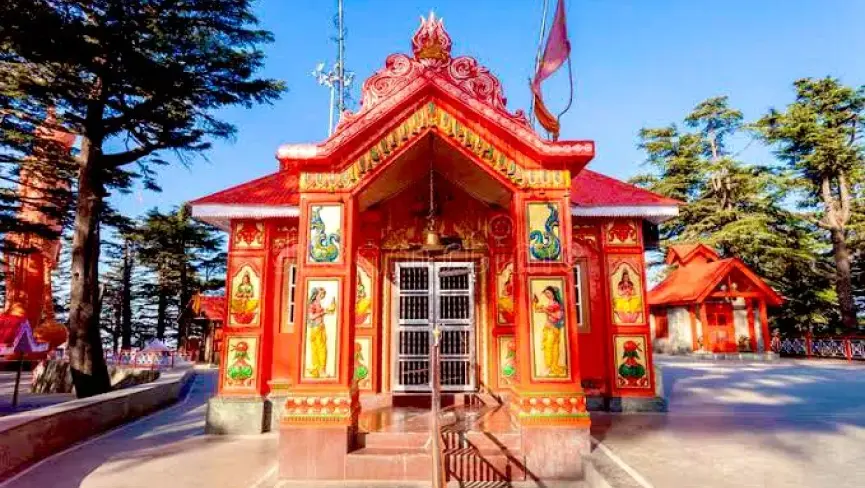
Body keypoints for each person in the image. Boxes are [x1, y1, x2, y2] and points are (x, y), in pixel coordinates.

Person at [533, 285, 567, 377]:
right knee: (553, 348)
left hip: (553, 329)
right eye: (546, 293)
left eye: (548, 293)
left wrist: (546, 311)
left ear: (553, 293)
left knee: (549, 348)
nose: (547, 295)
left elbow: (558, 316)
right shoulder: (550, 303)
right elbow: (537, 310)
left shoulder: (557, 303)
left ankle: (549, 367)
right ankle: (552, 367)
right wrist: (536, 302)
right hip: (550, 328)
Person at [307, 287, 336, 378]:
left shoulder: (317, 304)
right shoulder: (312, 304)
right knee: (321, 349)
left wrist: (329, 309)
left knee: (316, 349)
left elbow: (327, 312)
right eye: (321, 295)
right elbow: (311, 316)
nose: (322, 296)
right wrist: (323, 313)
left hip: (317, 328)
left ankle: (317, 370)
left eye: (323, 295)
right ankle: (321, 370)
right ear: (315, 295)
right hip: (317, 328)